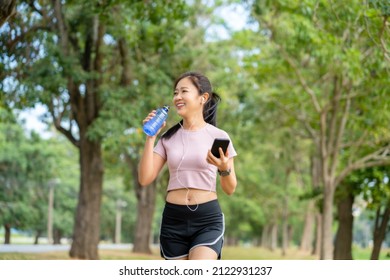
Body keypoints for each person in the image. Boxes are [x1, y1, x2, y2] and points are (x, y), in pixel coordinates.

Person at [138, 71, 237, 260]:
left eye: (184, 91)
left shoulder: (219, 136)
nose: (177, 97)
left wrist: (224, 169)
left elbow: (230, 189)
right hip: (173, 220)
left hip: (207, 219)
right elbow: (145, 178)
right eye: (175, 93)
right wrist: (151, 138)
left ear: (203, 98)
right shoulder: (168, 138)